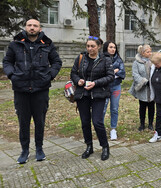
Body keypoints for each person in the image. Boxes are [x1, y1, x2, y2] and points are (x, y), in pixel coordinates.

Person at [2, 19, 62, 164]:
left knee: (39, 121)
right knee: (23, 122)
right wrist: (12, 75)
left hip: (40, 90)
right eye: (29, 25)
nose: (32, 28)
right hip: (21, 89)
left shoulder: (47, 44)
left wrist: (50, 75)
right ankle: (25, 150)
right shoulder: (15, 44)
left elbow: (56, 62)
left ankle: (39, 149)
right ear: (26, 28)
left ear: (40, 29)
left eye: (35, 26)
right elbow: (7, 62)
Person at [70, 36, 114, 161]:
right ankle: (89, 146)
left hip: (99, 94)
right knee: (85, 122)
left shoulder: (105, 60)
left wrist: (95, 83)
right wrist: (78, 80)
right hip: (83, 95)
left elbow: (111, 76)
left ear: (99, 46)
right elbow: (73, 73)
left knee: (97, 122)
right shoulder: (81, 58)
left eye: (92, 46)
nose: (90, 49)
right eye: (88, 46)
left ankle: (105, 146)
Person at [102, 41, 125, 140]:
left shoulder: (119, 59)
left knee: (114, 109)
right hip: (104, 87)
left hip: (116, 87)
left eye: (114, 47)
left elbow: (122, 72)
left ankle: (113, 129)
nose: (113, 49)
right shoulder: (101, 58)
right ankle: (100, 128)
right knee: (103, 108)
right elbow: (101, 72)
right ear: (106, 48)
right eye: (111, 47)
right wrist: (114, 71)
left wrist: (115, 72)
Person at [129, 45, 155, 131]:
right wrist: (144, 81)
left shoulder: (153, 61)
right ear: (143, 53)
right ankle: (142, 124)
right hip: (142, 88)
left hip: (152, 88)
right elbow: (135, 74)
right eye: (148, 52)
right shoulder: (136, 63)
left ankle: (151, 124)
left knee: (152, 106)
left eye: (150, 51)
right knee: (142, 107)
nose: (150, 53)